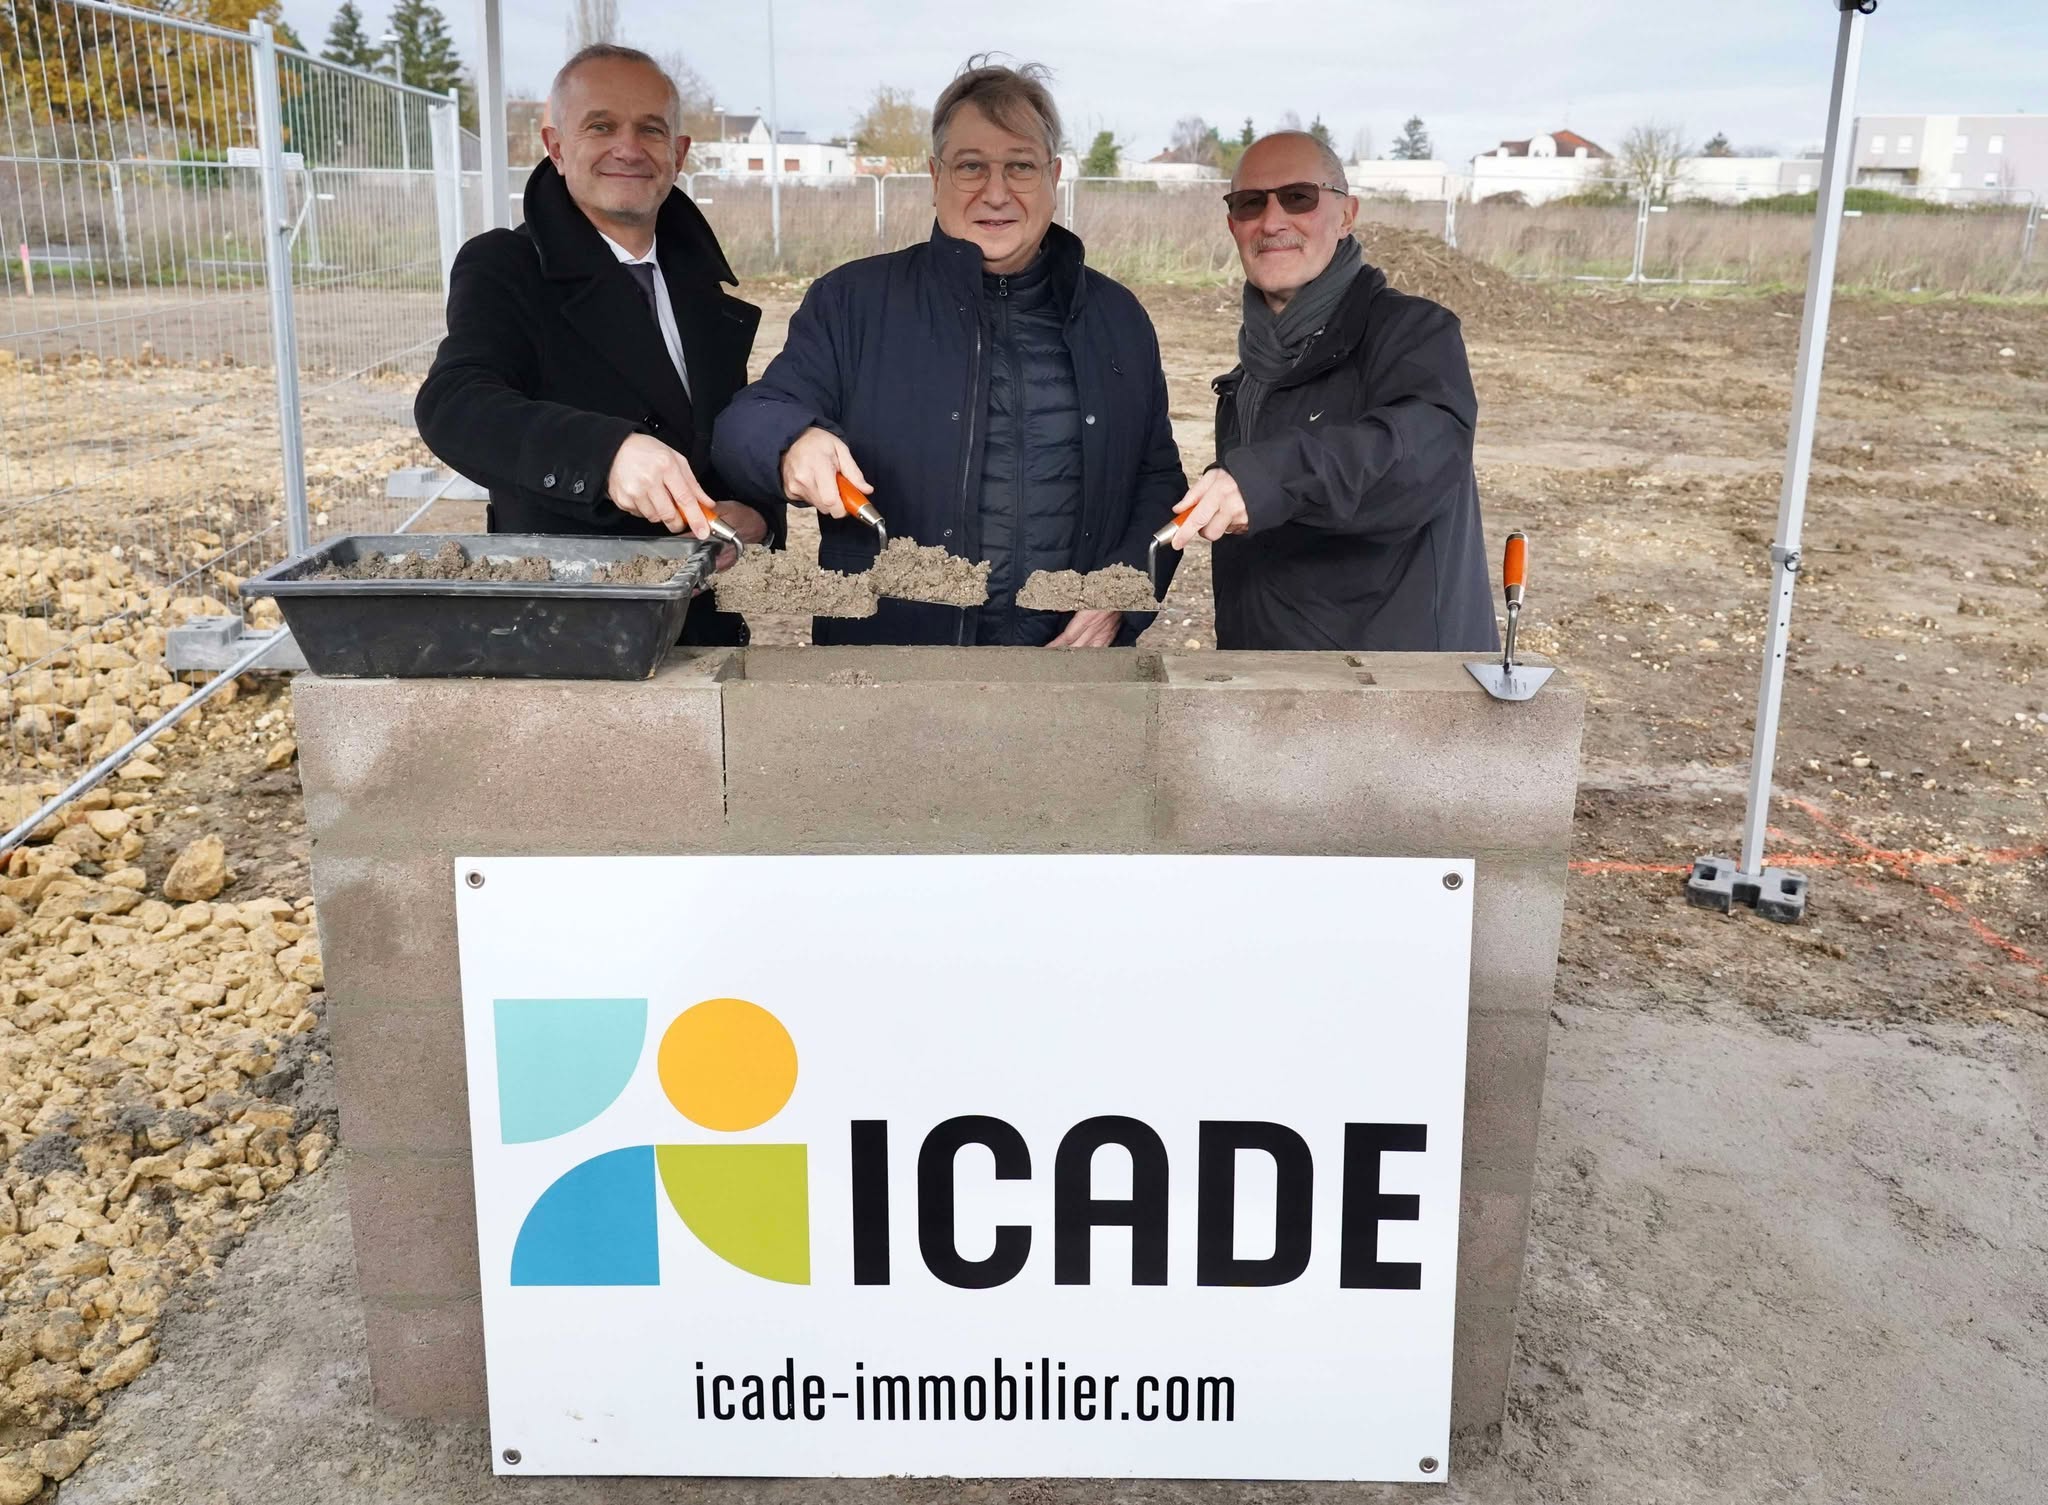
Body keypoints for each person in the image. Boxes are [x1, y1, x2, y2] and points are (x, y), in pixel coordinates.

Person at [711, 59, 1184, 646]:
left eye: (1020, 166)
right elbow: (748, 421)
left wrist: (1121, 597)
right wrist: (791, 442)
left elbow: (1158, 479)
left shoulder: (1119, 319)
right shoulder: (854, 302)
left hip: (1071, 669)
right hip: (895, 668)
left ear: (1053, 175)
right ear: (935, 175)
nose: (996, 191)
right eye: (971, 167)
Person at [414, 44, 772, 645]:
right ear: (555, 146)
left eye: (650, 130)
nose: (628, 148)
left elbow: (727, 437)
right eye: (600, 126)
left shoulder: (701, 290)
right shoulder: (508, 266)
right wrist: (605, 456)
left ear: (678, 155)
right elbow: (454, 403)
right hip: (564, 630)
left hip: (698, 629)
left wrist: (755, 516)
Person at [1165, 131, 1498, 653]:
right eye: (1251, 203)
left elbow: (1420, 456)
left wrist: (1269, 479)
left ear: (1347, 215)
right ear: (1232, 224)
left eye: (1299, 197)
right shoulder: (1251, 373)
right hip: (1271, 687)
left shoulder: (1413, 333)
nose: (1272, 221)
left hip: (1392, 696)